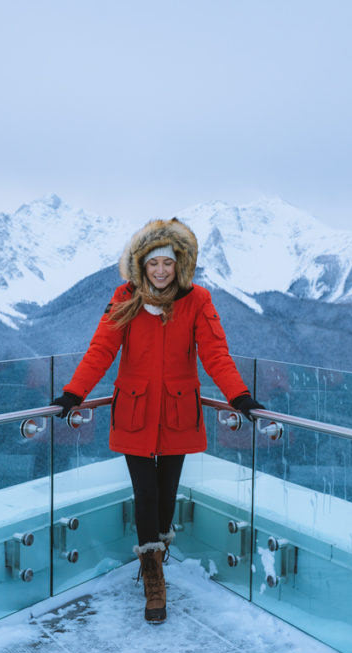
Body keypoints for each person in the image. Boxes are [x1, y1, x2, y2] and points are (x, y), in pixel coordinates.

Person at [50, 218, 263, 624]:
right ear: (141, 266)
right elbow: (101, 350)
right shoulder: (125, 299)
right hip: (134, 412)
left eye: (167, 263)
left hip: (178, 414)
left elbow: (215, 353)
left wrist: (240, 397)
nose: (161, 271)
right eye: (153, 264)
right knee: (145, 492)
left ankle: (157, 553)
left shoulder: (197, 300)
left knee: (166, 497)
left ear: (178, 264)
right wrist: (74, 393)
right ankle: (152, 576)